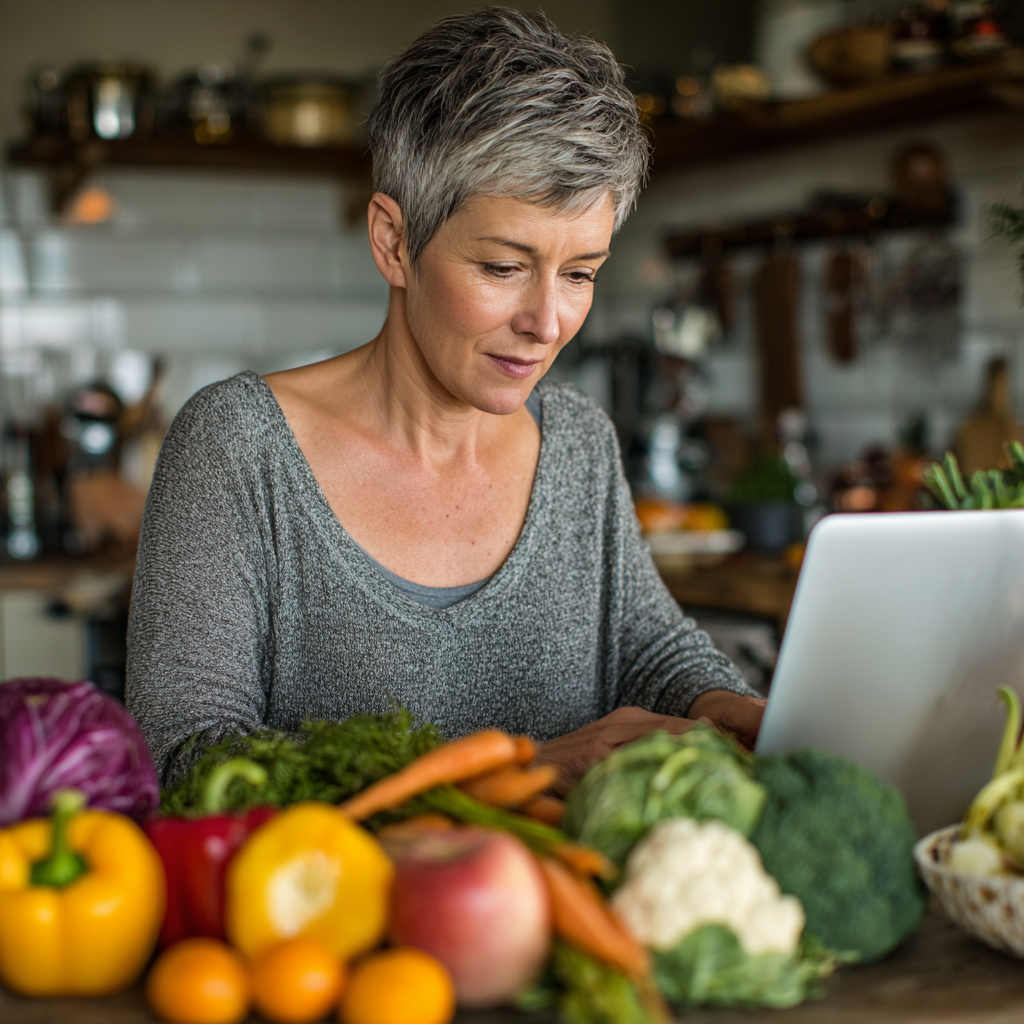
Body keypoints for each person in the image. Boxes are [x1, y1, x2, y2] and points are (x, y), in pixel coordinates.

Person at [126, 8, 765, 791]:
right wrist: (523, 769)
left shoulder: (576, 441)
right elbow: (186, 760)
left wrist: (731, 706)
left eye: (580, 274)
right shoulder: (238, 447)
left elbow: (648, 649)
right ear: (395, 242)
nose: (546, 323)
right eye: (502, 267)